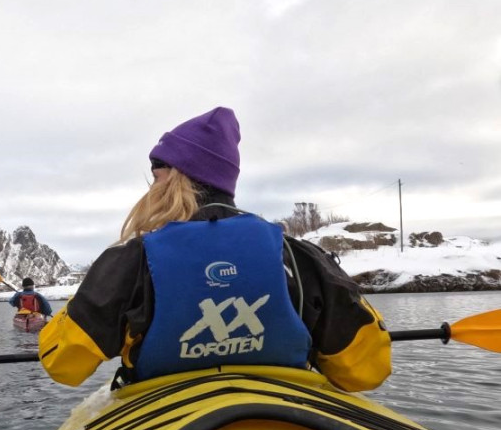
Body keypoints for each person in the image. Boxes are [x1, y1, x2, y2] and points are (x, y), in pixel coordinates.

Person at [38, 107, 391, 391]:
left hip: (165, 419)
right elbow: (366, 372)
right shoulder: (298, 257)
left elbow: (63, 364)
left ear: (174, 176)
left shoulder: (132, 260)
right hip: (279, 411)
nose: (150, 182)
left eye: (157, 170)